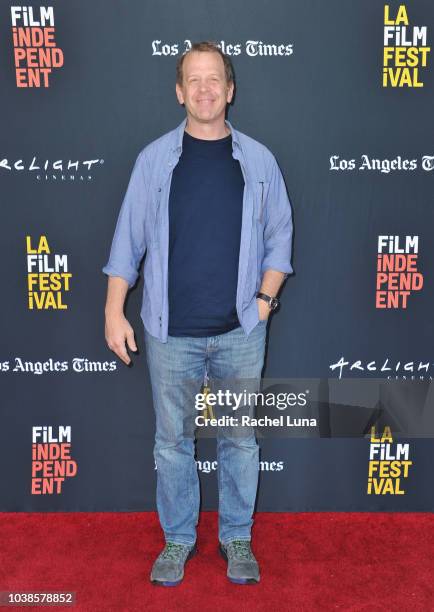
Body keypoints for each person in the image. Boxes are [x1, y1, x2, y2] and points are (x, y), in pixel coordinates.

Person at [102, 41, 293, 586]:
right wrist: (115, 311)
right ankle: (179, 539)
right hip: (169, 333)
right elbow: (126, 244)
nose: (205, 89)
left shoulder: (258, 161)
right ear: (179, 91)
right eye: (195, 80)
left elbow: (280, 235)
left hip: (239, 331)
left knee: (237, 440)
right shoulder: (154, 160)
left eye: (215, 80)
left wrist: (262, 302)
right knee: (172, 443)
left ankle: (237, 537)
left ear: (230, 91)